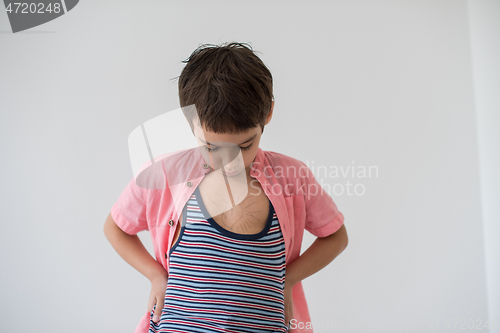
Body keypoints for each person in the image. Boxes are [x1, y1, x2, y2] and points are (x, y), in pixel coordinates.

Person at [103, 42, 348, 333]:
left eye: (245, 145)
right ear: (190, 120)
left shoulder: (292, 177)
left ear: (268, 114)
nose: (230, 162)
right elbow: (115, 227)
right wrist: (156, 276)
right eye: (213, 147)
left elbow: (336, 237)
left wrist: (289, 279)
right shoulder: (165, 175)